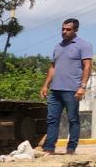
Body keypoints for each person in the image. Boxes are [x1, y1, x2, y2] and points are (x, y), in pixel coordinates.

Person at [39, 17, 92, 155]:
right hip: (55, 90)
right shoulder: (58, 46)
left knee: (73, 119)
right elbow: (52, 67)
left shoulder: (83, 45)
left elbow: (87, 67)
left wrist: (83, 87)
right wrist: (45, 85)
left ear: (75, 30)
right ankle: (49, 148)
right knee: (52, 119)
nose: (64, 31)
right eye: (62, 29)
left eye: (68, 29)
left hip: (72, 90)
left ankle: (71, 149)